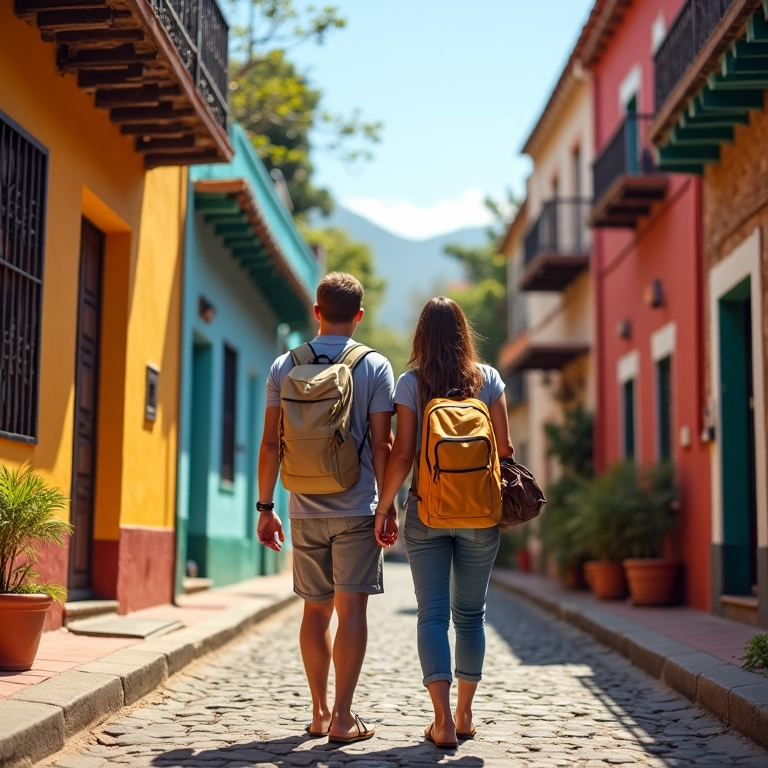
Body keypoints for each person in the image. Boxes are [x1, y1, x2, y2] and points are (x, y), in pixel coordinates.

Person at [256, 271, 397, 744]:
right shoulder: (375, 366)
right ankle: (343, 717)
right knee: (350, 610)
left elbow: (270, 445)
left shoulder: (283, 365)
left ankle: (317, 713)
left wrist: (264, 506)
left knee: (314, 613)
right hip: (357, 507)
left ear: (317, 312)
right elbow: (383, 444)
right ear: (358, 316)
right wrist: (387, 504)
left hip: (302, 508)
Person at [373, 296, 514, 749]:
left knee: (432, 615)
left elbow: (403, 452)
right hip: (480, 515)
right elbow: (506, 449)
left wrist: (385, 506)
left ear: (420, 336)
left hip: (427, 513)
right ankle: (466, 713)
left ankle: (441, 722)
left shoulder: (411, 382)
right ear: (463, 333)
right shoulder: (488, 379)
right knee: (471, 616)